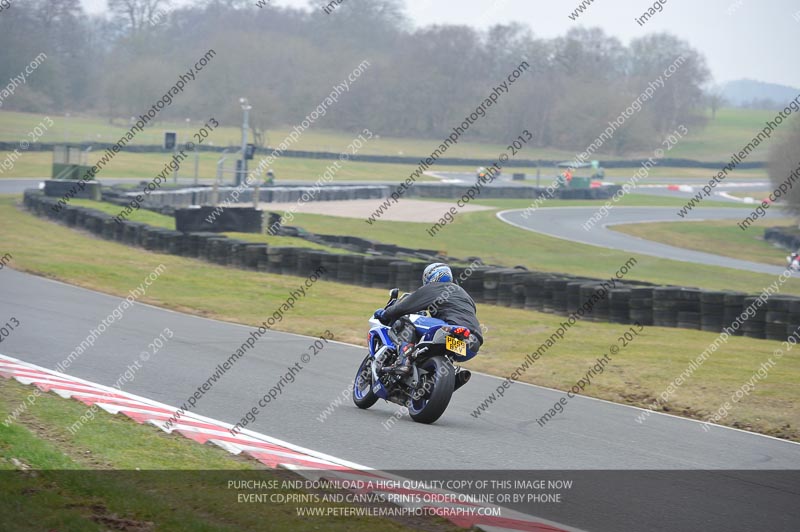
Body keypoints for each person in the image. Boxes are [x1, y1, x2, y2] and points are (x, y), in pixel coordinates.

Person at [373, 263, 483, 375]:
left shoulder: (434, 288)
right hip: (469, 347)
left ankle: (403, 362)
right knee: (433, 348)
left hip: (451, 331)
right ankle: (440, 376)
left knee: (406, 319)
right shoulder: (465, 295)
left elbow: (402, 308)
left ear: (429, 277)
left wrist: (384, 313)